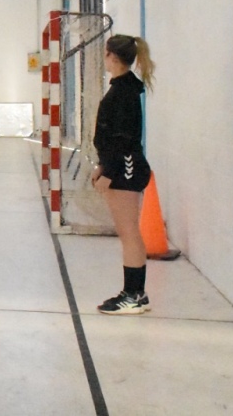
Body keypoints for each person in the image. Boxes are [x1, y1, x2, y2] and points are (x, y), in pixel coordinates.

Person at [92, 34, 156, 315]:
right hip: (119, 166)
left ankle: (133, 295)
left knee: (129, 232)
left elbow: (125, 139)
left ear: (113, 57)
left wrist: (112, 171)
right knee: (128, 232)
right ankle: (134, 293)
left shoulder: (124, 92)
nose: (103, 58)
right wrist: (102, 165)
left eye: (105, 53)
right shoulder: (121, 88)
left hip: (126, 169)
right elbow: (110, 137)